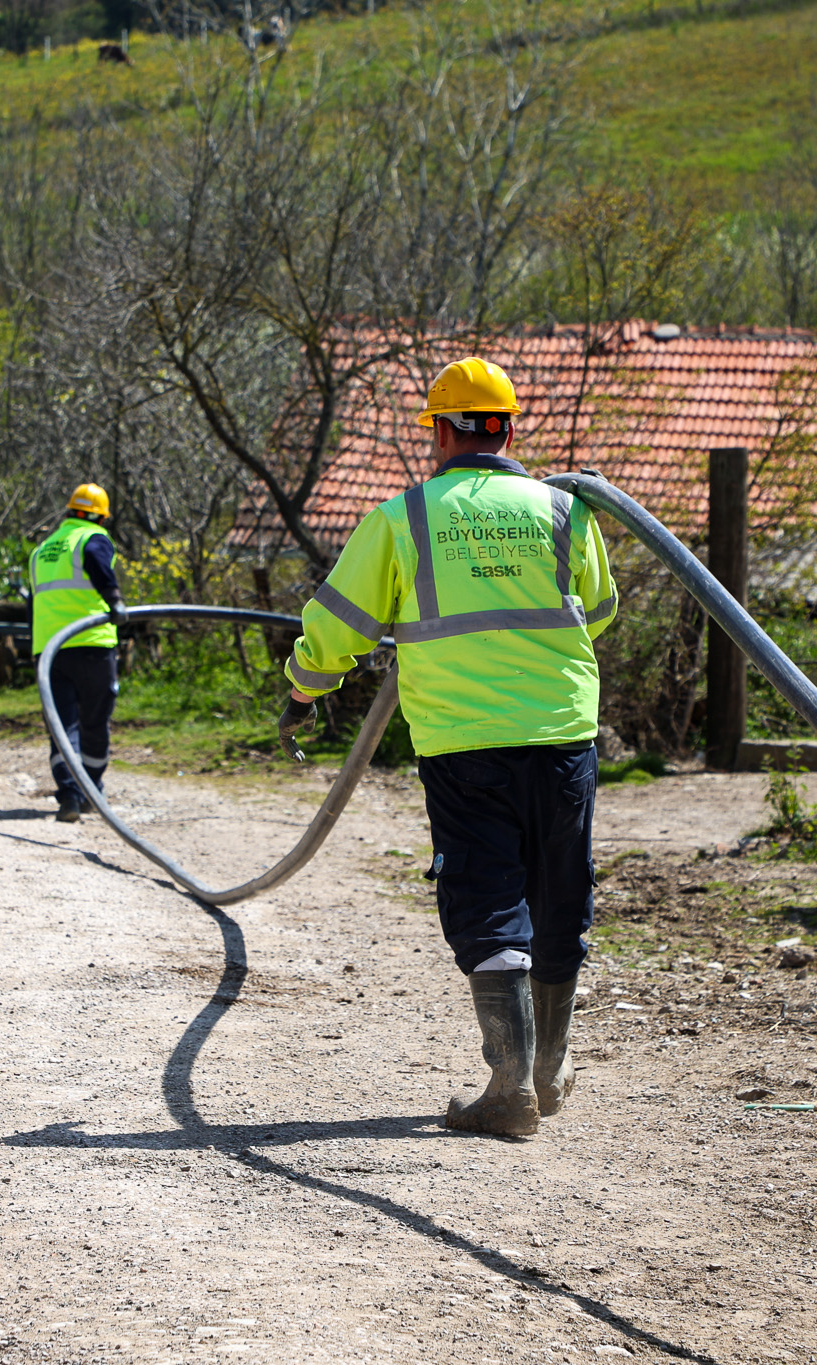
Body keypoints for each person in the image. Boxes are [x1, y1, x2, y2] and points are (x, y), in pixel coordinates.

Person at [278, 358, 615, 1136]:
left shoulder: (405, 519)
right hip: (562, 731)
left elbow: (337, 628)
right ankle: (549, 1070)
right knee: (560, 889)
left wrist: (304, 687)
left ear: (439, 431)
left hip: (464, 742)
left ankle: (510, 1088)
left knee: (488, 896)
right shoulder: (565, 510)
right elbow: (596, 608)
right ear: (508, 425)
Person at [32, 483, 128, 822]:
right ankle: (92, 790)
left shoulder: (43, 548)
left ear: (70, 511)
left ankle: (70, 796)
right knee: (94, 722)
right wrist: (115, 600)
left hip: (49, 650)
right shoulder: (92, 538)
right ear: (100, 516)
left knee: (62, 725)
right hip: (92, 644)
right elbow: (100, 567)